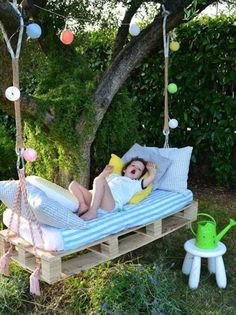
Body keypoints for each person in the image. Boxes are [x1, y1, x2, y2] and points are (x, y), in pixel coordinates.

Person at [69, 157, 156, 220]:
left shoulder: (134, 184)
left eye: (139, 169)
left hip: (110, 204)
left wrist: (151, 170)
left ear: (139, 177)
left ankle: (92, 212)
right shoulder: (114, 176)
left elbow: (151, 178)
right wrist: (104, 172)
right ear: (125, 169)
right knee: (73, 184)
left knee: (99, 180)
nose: (135, 168)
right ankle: (83, 205)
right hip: (95, 199)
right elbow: (98, 185)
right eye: (133, 165)